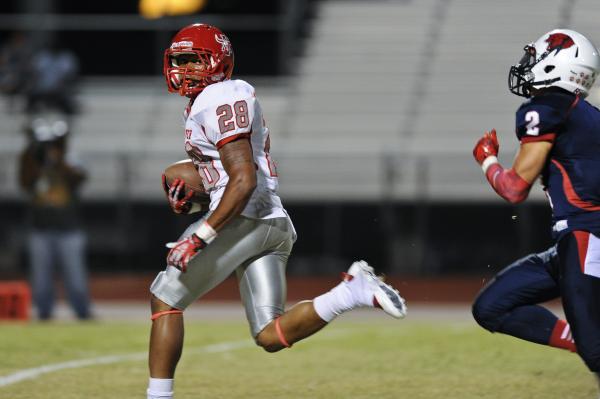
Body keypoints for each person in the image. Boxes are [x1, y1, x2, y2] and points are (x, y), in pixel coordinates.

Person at [146, 23, 407, 399]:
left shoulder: (219, 96)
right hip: (273, 223)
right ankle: (352, 292)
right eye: (180, 60)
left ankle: (157, 396)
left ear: (218, 63)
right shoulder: (211, 100)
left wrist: (200, 236)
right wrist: (196, 197)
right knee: (270, 334)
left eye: (194, 61)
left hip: (246, 217)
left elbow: (243, 180)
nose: (184, 69)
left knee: (165, 298)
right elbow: (227, 178)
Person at [472, 29, 600, 389]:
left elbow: (513, 189)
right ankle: (584, 339)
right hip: (573, 239)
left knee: (597, 350)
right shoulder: (582, 114)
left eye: (536, 56)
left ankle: (589, 341)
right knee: (492, 306)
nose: (528, 65)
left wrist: (486, 160)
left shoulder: (549, 108)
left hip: (587, 236)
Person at [18, 117, 92, 320]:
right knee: (41, 279)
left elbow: (80, 178)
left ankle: (83, 313)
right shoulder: (31, 161)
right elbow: (24, 183)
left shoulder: (70, 159)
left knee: (76, 278)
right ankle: (43, 314)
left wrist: (58, 158)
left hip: (69, 228)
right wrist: (35, 153)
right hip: (40, 228)